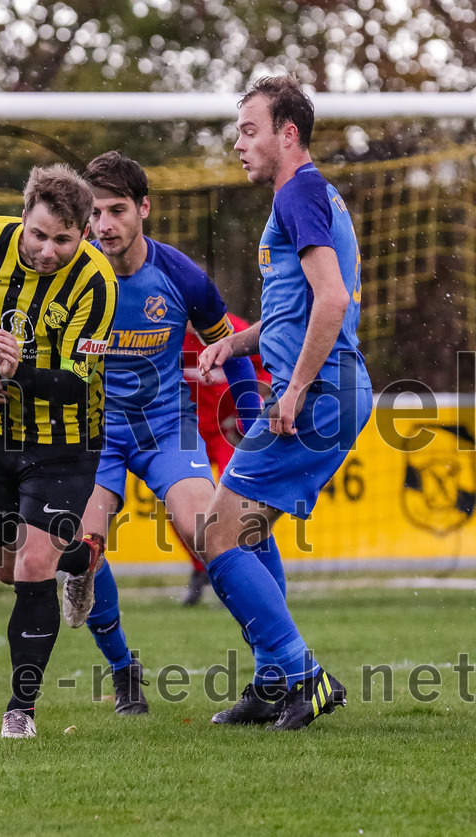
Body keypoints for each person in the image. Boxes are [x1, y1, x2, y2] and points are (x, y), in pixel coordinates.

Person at [196, 76, 372, 730]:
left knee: (216, 532)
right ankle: (274, 681)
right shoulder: (304, 195)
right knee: (246, 528)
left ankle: (302, 674)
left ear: (286, 134)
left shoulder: (299, 191)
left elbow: (332, 300)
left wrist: (293, 389)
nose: (239, 143)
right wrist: (232, 345)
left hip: (320, 392)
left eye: (249, 129)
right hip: (327, 387)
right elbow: (293, 314)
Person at [61, 151, 262, 716]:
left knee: (212, 531)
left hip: (165, 431)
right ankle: (125, 671)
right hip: (95, 435)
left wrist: (250, 430)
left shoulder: (181, 276)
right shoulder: (70, 277)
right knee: (81, 553)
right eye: (95, 213)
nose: (104, 225)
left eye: (116, 210)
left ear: (143, 209)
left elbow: (235, 352)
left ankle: (277, 663)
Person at [0, 164, 117, 739]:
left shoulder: (97, 283)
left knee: (34, 562)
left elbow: (75, 382)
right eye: (39, 235)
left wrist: (17, 374)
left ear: (83, 233)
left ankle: (21, 711)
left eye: (64, 239)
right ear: (23, 218)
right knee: (11, 571)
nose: (48, 250)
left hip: (66, 442)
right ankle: (82, 558)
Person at [178, 315, 271, 606]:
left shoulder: (235, 330)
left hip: (225, 430)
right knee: (178, 505)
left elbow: (266, 371)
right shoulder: (167, 333)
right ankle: (201, 569)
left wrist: (250, 409)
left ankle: (246, 569)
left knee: (238, 499)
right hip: (186, 431)